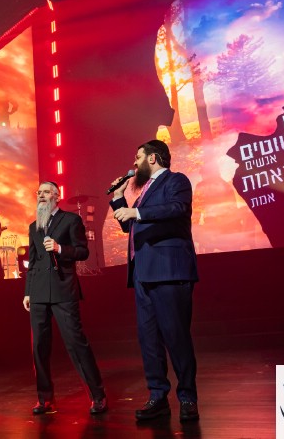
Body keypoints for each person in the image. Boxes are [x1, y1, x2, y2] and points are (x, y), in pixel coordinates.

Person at [109, 140, 199, 422]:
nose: (134, 163)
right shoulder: (143, 193)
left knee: (176, 336)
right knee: (148, 339)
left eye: (138, 157)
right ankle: (157, 396)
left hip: (169, 271)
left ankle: (187, 398)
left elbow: (177, 208)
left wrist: (137, 212)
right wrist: (119, 198)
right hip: (143, 274)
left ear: (153, 158)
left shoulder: (176, 181)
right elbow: (129, 225)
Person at [23, 181, 106, 415]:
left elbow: (83, 251)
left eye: (46, 192)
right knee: (39, 347)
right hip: (39, 291)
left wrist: (60, 248)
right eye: (38, 192)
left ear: (57, 197)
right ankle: (45, 399)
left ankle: (97, 395)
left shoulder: (70, 220)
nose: (41, 195)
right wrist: (28, 292)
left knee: (76, 343)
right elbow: (33, 261)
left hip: (63, 288)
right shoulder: (34, 226)